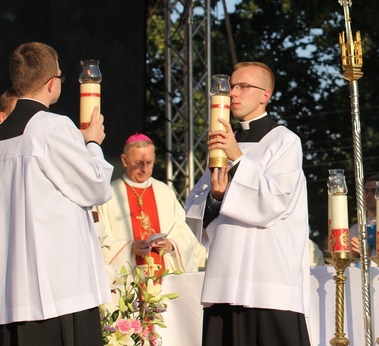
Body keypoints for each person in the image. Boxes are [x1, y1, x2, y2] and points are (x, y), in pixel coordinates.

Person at [185, 61, 311, 346]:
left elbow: (275, 201)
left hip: (268, 280)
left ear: (265, 95)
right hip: (224, 276)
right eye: (231, 86)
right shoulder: (222, 145)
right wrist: (216, 197)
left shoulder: (284, 141)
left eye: (243, 86)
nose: (233, 93)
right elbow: (196, 206)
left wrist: (238, 158)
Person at [0, 42, 113, 346]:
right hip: (60, 289)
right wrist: (92, 144)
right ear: (52, 84)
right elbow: (96, 187)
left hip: (11, 290)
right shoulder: (53, 127)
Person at [94, 133, 205, 275]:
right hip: (128, 281)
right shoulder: (108, 195)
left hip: (164, 280)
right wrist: (129, 247)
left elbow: (187, 235)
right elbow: (99, 240)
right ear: (124, 160)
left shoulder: (165, 192)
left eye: (149, 163)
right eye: (139, 163)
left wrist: (171, 245)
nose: (145, 169)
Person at [349, 174, 379, 258]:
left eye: (374, 191)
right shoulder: (354, 230)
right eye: (365, 191)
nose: (368, 195)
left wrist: (368, 253)